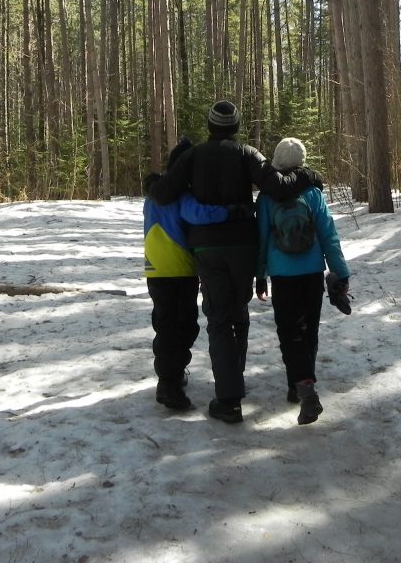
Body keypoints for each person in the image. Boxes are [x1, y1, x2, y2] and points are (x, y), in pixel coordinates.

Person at [147, 100, 321, 424]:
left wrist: (154, 182)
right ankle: (232, 382)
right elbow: (279, 187)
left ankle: (228, 399)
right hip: (243, 244)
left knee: (219, 318)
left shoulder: (193, 155)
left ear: (210, 125)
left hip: (207, 249)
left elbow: (163, 193)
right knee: (237, 313)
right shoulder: (248, 153)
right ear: (236, 126)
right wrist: (306, 176)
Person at [255, 137, 350, 426]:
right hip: (311, 273)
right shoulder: (313, 193)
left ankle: (302, 387)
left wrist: (259, 275)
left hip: (282, 274)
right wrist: (340, 272)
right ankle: (301, 384)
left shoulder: (269, 196)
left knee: (290, 332)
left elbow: (261, 239)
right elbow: (328, 235)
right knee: (309, 330)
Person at [142, 137, 229, 411]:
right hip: (180, 268)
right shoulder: (181, 194)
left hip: (155, 269)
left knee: (166, 323)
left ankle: (172, 375)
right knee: (183, 325)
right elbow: (200, 214)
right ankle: (168, 381)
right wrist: (230, 210)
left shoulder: (155, 193)